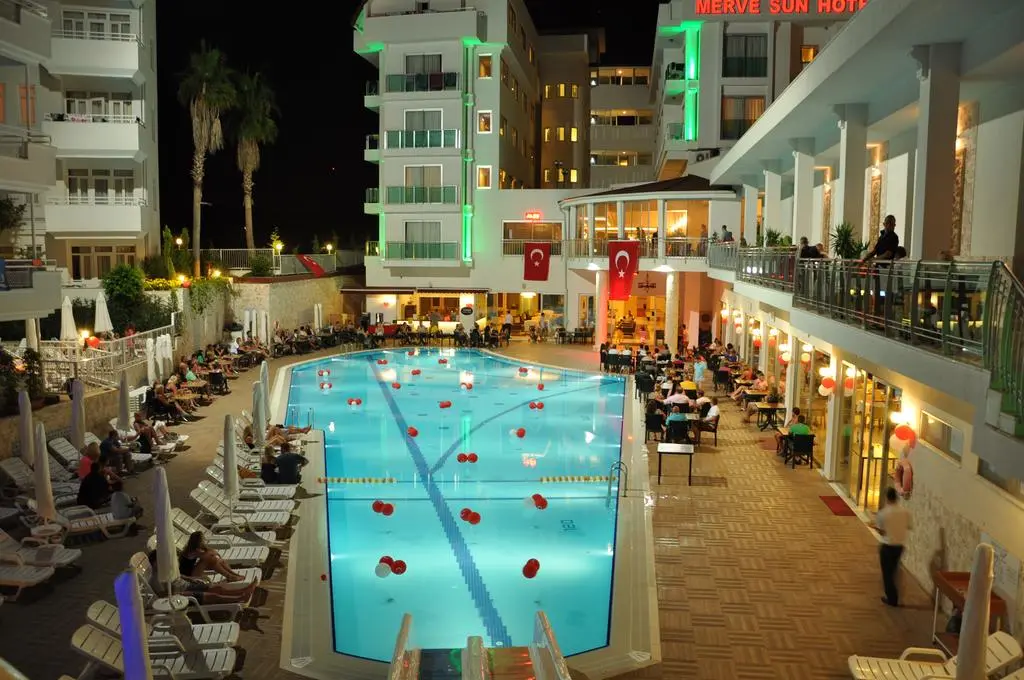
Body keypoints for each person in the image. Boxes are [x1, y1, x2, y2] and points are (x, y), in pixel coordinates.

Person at [148, 550, 256, 604]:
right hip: (182, 596)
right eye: (159, 560)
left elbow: (178, 576)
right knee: (213, 596)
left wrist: (190, 578)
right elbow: (162, 596)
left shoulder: (164, 571)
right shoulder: (155, 579)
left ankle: (243, 591)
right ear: (154, 563)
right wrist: (181, 593)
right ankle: (239, 598)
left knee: (217, 588)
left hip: (188, 586)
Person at [872, 487, 912, 607]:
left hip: (887, 546)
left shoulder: (883, 513)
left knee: (887, 574)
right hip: (899, 546)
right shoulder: (905, 512)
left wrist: (876, 528)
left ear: (887, 498)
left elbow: (882, 532)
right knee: (894, 570)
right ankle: (895, 595)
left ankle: (892, 598)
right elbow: (909, 526)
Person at [179, 531, 248, 583]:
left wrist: (218, 558)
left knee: (217, 560)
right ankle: (230, 576)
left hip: (193, 571)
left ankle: (233, 574)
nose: (204, 540)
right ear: (198, 541)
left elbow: (212, 552)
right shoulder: (192, 551)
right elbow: (208, 555)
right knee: (210, 559)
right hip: (189, 576)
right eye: (202, 539)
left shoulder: (197, 548)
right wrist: (215, 556)